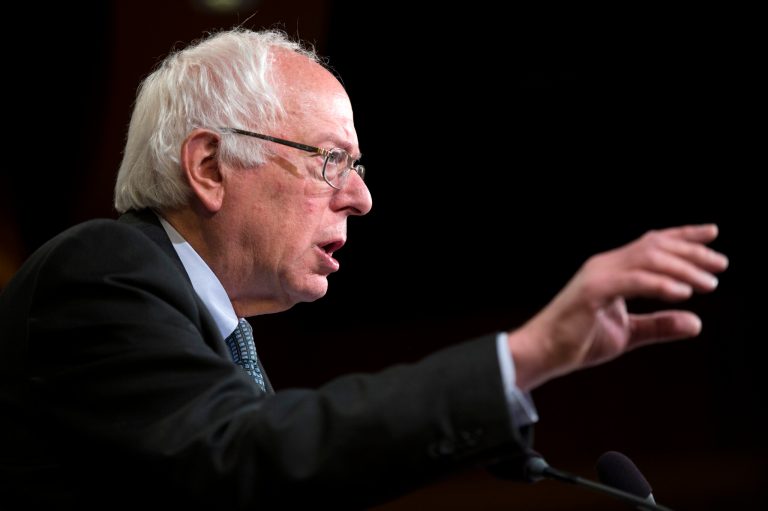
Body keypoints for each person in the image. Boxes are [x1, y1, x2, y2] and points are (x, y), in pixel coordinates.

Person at [0, 28, 728, 509]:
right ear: (211, 165)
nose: (361, 196)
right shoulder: (100, 271)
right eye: (330, 160)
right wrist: (528, 353)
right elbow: (246, 455)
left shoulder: (211, 339)